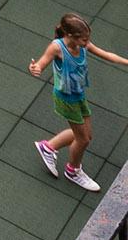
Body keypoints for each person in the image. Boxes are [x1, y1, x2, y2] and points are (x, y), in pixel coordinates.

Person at [31, 13, 128, 191]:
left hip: (78, 95)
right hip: (66, 99)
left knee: (85, 136)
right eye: (84, 40)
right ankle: (73, 171)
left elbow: (106, 54)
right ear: (69, 35)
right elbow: (42, 62)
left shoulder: (82, 44)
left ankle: (48, 147)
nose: (87, 43)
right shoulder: (57, 47)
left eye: (87, 39)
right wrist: (35, 68)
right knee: (83, 140)